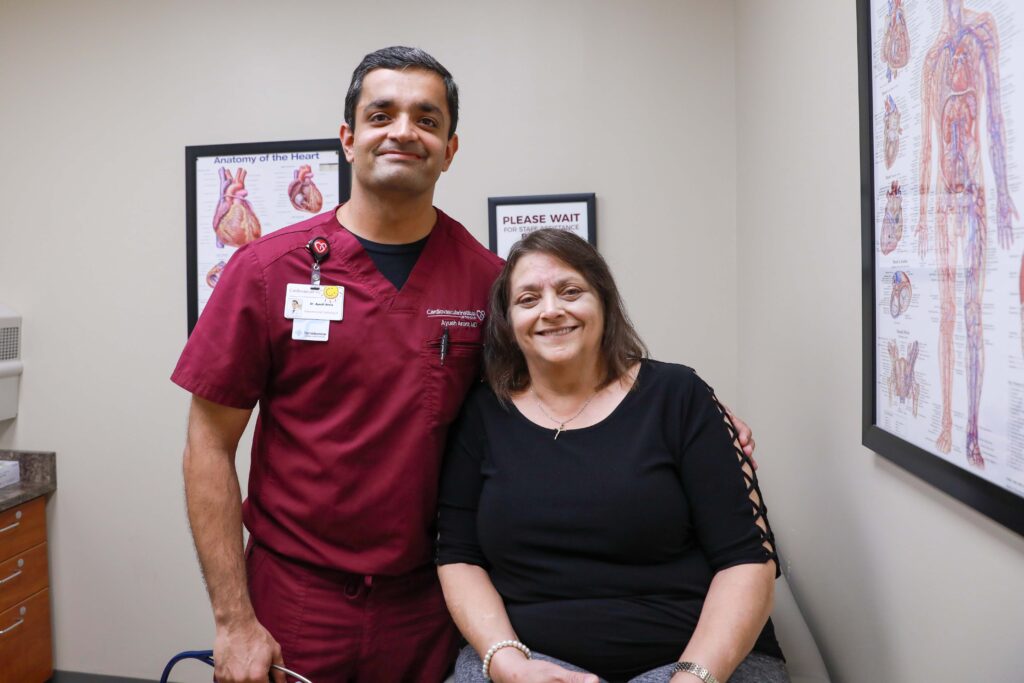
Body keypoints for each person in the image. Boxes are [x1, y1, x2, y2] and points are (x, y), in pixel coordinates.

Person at [174, 47, 759, 683]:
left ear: (450, 148)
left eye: (427, 119)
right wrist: (234, 620)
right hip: (298, 595)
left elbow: (562, 367)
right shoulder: (265, 271)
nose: (403, 130)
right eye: (382, 114)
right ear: (348, 138)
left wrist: (692, 409)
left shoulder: (486, 282)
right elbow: (208, 441)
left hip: (428, 601)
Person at [437, 229, 787, 683]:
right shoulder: (483, 413)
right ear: (507, 321)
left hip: (695, 661)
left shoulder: (677, 396)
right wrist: (507, 662)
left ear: (603, 302)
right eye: (528, 299)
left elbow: (748, 559)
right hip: (529, 661)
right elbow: (459, 556)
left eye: (570, 291)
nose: (551, 310)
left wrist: (692, 677)